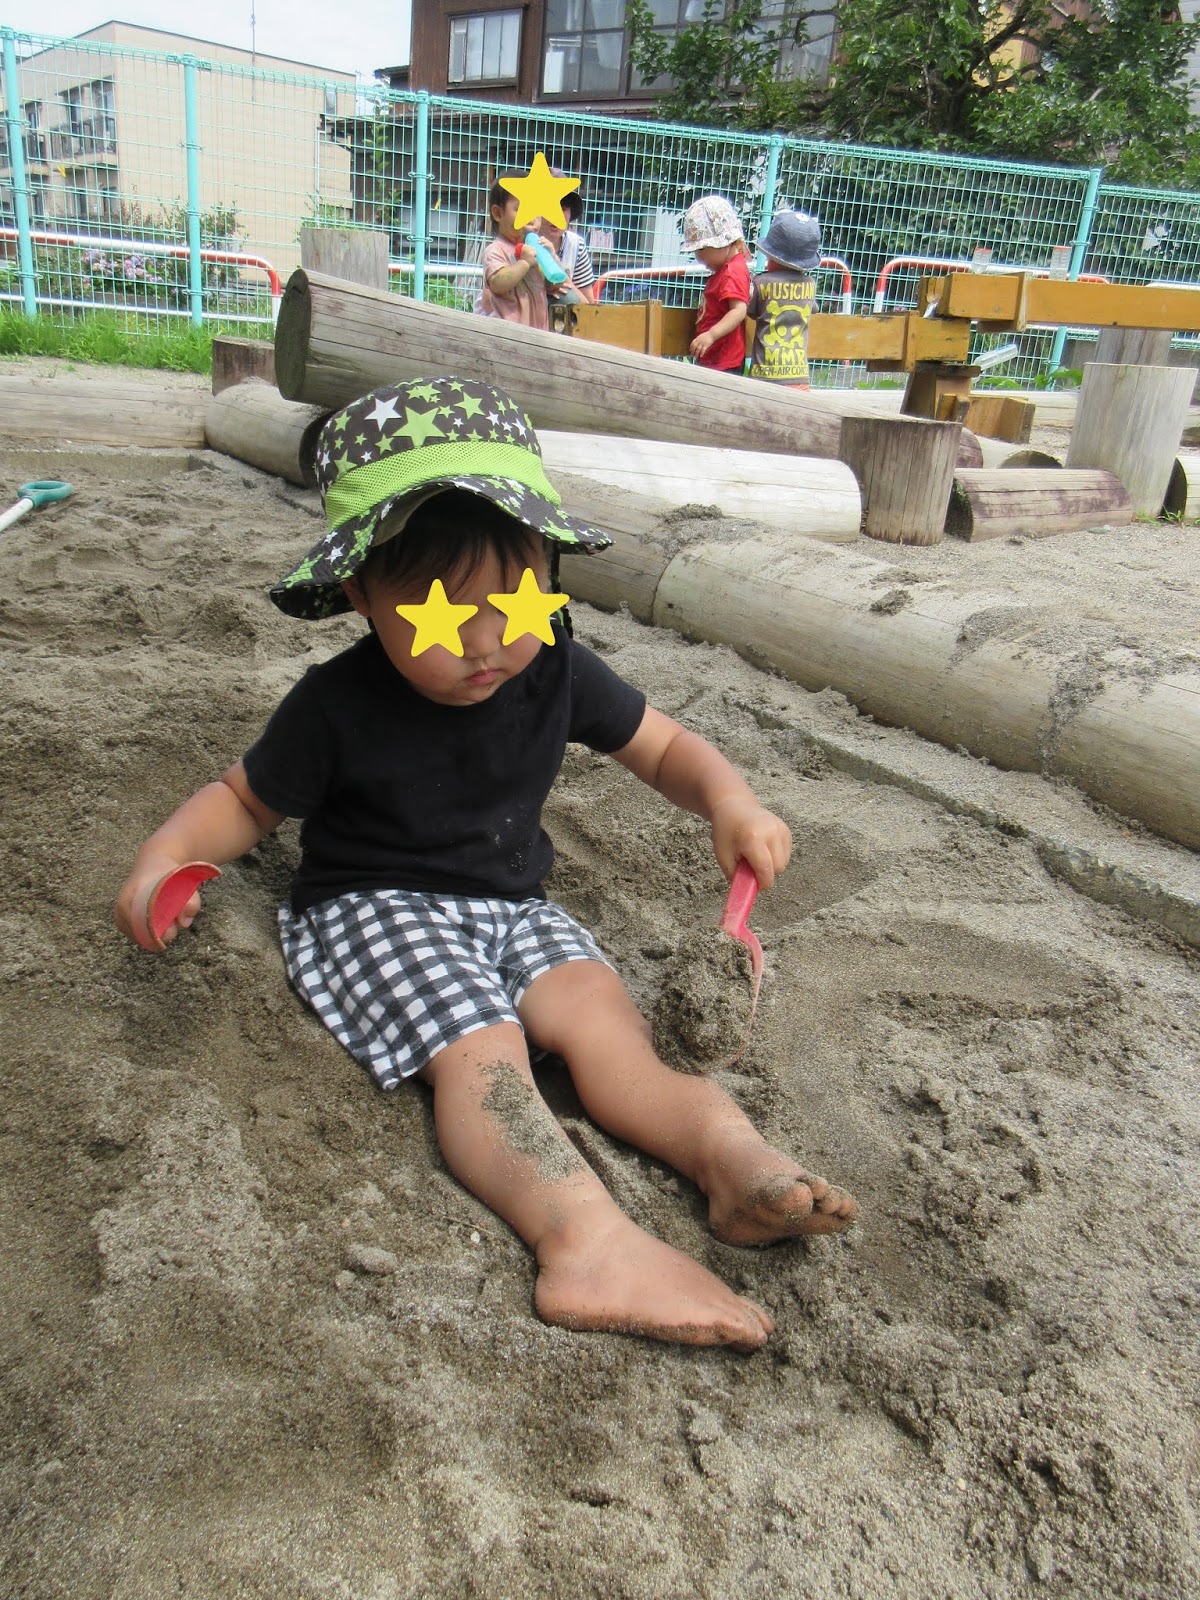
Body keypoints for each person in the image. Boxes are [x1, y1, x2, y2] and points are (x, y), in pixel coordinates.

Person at [113, 376, 858, 1353]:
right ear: (359, 592)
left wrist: (730, 800)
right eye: (438, 611)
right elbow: (245, 801)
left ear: (547, 567)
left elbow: (665, 745)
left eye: (514, 600)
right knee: (485, 1052)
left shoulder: (552, 664)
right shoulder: (335, 704)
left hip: (512, 903)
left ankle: (732, 1161)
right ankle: (582, 1239)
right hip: (375, 905)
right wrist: (166, 857)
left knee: (609, 1028)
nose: (485, 641)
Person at [748, 210, 823, 391]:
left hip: (764, 377)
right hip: (799, 376)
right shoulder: (810, 285)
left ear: (772, 257)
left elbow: (751, 312)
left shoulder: (761, 283)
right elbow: (812, 309)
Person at [679, 195, 752, 375]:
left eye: (702, 249)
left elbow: (739, 311)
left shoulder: (732, 272)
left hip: (724, 362)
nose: (698, 256)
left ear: (724, 243)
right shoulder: (725, 270)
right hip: (715, 358)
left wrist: (711, 335)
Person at [478, 178, 549, 329]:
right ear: (498, 213)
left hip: (538, 332)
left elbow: (555, 285)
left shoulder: (537, 249)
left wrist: (552, 258)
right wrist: (524, 263)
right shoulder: (496, 250)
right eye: (521, 209)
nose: (530, 217)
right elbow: (497, 283)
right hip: (508, 333)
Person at [538, 182, 597, 306]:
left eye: (563, 209)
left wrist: (563, 278)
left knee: (567, 298)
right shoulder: (521, 241)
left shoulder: (576, 245)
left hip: (564, 315)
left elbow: (588, 306)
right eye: (549, 206)